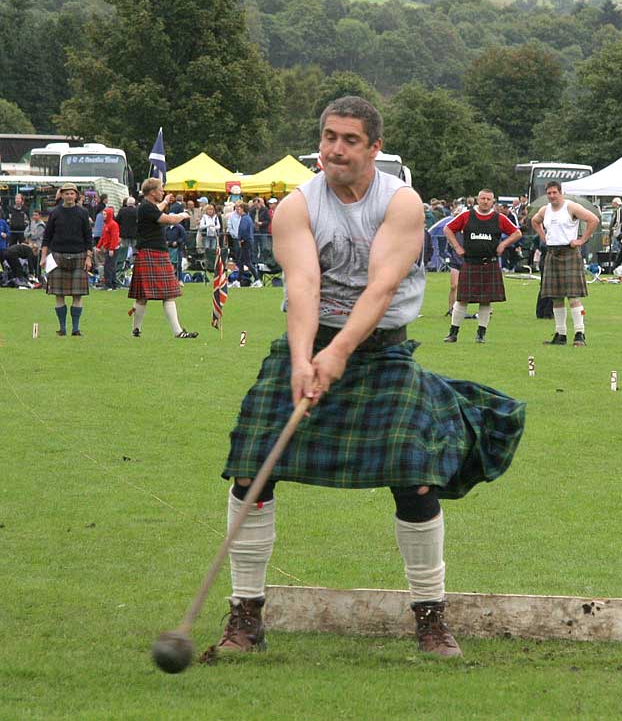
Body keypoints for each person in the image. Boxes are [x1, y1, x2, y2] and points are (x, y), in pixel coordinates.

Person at [204, 96, 525, 661]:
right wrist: (306, 359)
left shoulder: (401, 203)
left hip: (382, 354)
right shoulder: (295, 207)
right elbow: (302, 285)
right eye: (329, 137)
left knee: (416, 474)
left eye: (350, 139)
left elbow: (380, 289)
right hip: (310, 341)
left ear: (374, 147)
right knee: (252, 469)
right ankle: (245, 616)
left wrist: (341, 353)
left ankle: (430, 619)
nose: (335, 149)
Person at [442, 189, 521, 343]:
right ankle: (453, 333)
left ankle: (481, 334)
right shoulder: (466, 216)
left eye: (488, 199)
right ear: (478, 200)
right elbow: (447, 229)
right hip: (470, 262)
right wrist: (457, 247)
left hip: (489, 262)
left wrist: (503, 244)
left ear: (493, 201)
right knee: (462, 299)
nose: (485, 201)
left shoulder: (499, 218)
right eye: (483, 198)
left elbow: (517, 233)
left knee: (486, 300)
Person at [530, 181, 600, 347]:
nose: (552, 196)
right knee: (556, 298)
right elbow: (534, 221)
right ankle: (560, 334)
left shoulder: (571, 207)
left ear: (561, 192)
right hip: (552, 253)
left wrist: (582, 240)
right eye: (549, 193)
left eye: (555, 192)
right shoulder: (544, 210)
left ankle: (579, 333)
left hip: (569, 251)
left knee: (573, 297)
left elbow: (593, 219)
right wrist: (543, 236)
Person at [128, 178, 198, 339]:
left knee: (144, 296)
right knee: (166, 294)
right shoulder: (147, 207)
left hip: (150, 252)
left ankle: (137, 330)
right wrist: (182, 214)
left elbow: (157, 209)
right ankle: (177, 332)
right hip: (153, 253)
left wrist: (165, 201)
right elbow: (168, 220)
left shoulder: (146, 206)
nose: (163, 192)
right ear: (152, 192)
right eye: (161, 190)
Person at [40, 184, 93, 336]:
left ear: (76, 196)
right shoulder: (55, 213)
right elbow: (47, 237)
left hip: (79, 256)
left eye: (72, 193)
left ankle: (75, 329)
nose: (69, 196)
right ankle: (62, 328)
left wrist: (89, 258)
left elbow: (88, 238)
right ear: (61, 195)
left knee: (78, 295)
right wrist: (43, 257)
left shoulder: (83, 213)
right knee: (59, 295)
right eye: (66, 193)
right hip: (57, 256)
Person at [236, 202, 263, 287]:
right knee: (241, 262)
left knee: (247, 262)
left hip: (246, 241)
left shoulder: (245, 218)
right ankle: (238, 280)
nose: (238, 210)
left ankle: (257, 279)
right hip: (248, 241)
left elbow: (243, 229)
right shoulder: (247, 218)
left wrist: (241, 239)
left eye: (239, 208)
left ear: (243, 209)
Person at [96, 206, 120, 290]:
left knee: (108, 267)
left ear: (109, 215)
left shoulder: (113, 225)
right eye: (103, 214)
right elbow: (103, 237)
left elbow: (114, 238)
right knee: (110, 266)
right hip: (108, 248)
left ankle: (109, 285)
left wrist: (111, 249)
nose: (103, 216)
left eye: (105, 214)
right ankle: (113, 284)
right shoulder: (107, 224)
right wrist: (98, 246)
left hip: (112, 249)